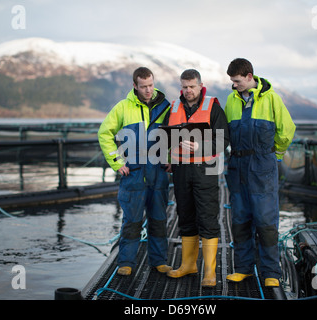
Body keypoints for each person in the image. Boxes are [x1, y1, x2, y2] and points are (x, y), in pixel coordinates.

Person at [224, 58, 296, 286]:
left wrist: (274, 156)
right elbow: (224, 132)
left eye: (237, 81)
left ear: (248, 76)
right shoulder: (231, 100)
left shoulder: (271, 98)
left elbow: (287, 130)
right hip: (237, 167)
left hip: (262, 166)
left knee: (265, 221)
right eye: (232, 82)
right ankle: (244, 268)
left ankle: (271, 273)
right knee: (240, 220)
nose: (234, 85)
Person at [98, 67, 173, 276]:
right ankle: (127, 262)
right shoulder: (123, 107)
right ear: (135, 86)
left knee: (159, 220)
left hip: (158, 173)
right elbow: (105, 133)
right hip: (134, 174)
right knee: (131, 221)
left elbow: (175, 134)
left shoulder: (166, 107)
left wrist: (171, 158)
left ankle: (159, 261)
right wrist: (116, 161)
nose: (148, 90)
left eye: (151, 85)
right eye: (143, 86)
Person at [165, 69, 229, 287]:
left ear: (201, 85)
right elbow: (164, 137)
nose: (188, 90)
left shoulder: (213, 107)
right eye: (184, 86)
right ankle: (188, 265)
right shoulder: (173, 107)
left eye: (191, 86)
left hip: (206, 169)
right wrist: (169, 153)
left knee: (208, 217)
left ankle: (210, 272)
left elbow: (223, 140)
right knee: (185, 216)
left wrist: (200, 146)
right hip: (181, 169)